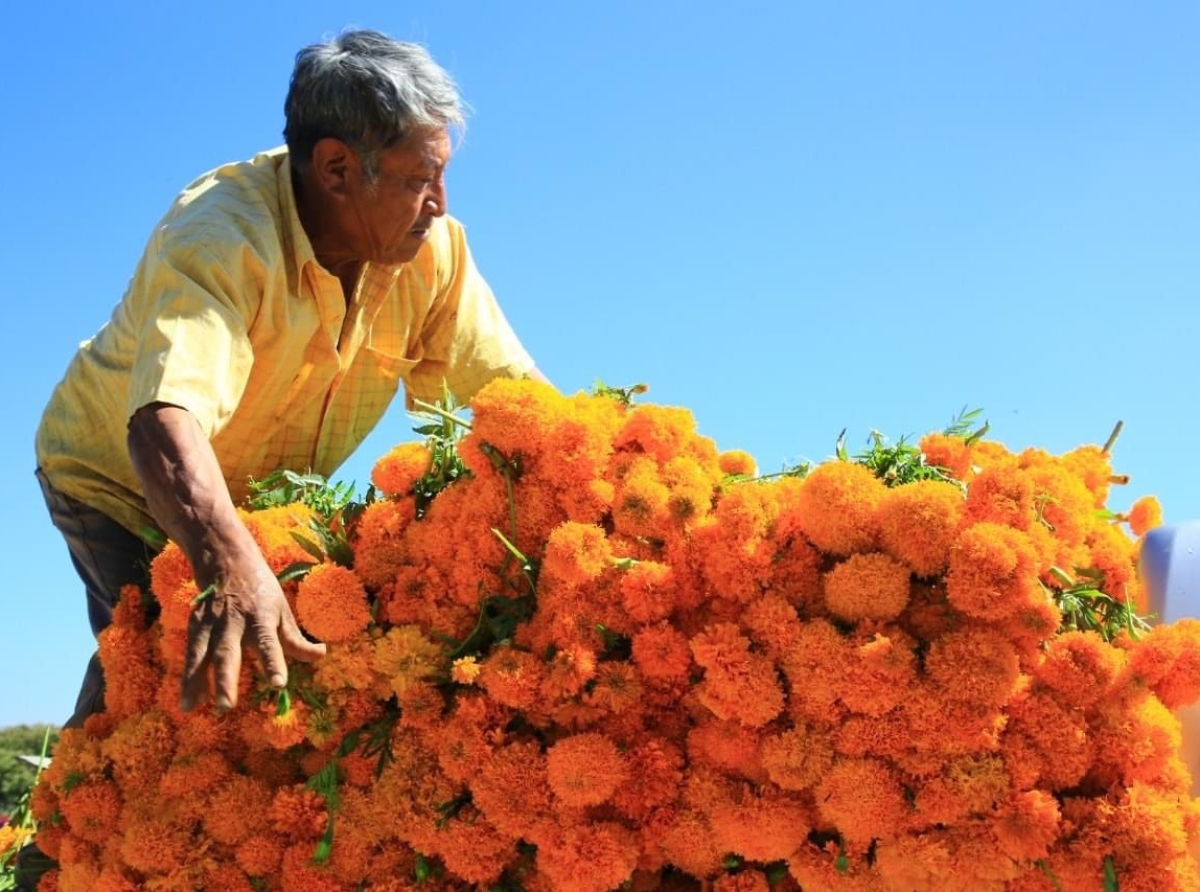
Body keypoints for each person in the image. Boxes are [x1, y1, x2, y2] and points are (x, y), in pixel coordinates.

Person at [33, 29, 547, 732]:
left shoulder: (437, 257)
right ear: (336, 167)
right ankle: (58, 834)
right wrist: (225, 562)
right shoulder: (223, 234)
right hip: (121, 479)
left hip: (251, 501)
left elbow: (512, 402)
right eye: (419, 178)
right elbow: (163, 420)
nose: (440, 203)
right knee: (155, 682)